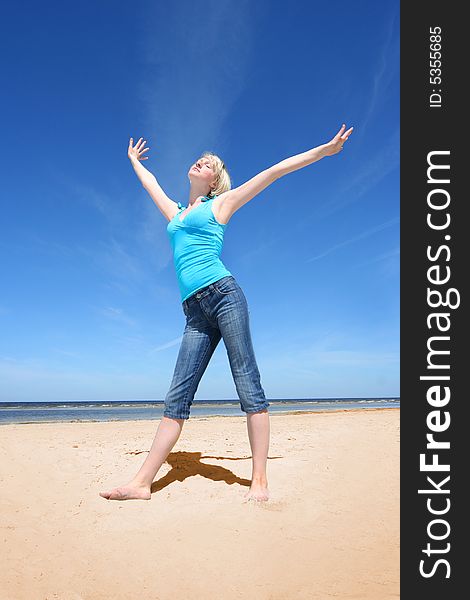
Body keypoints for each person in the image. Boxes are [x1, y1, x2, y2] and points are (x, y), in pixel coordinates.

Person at [99, 124, 354, 502]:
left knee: (248, 384)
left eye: (208, 164)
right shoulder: (176, 213)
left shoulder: (222, 203)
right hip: (194, 312)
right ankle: (141, 484)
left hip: (224, 296)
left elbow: (274, 172)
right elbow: (151, 184)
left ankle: (260, 482)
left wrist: (323, 151)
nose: (200, 162)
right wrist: (134, 161)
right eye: (199, 160)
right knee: (177, 397)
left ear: (215, 180)